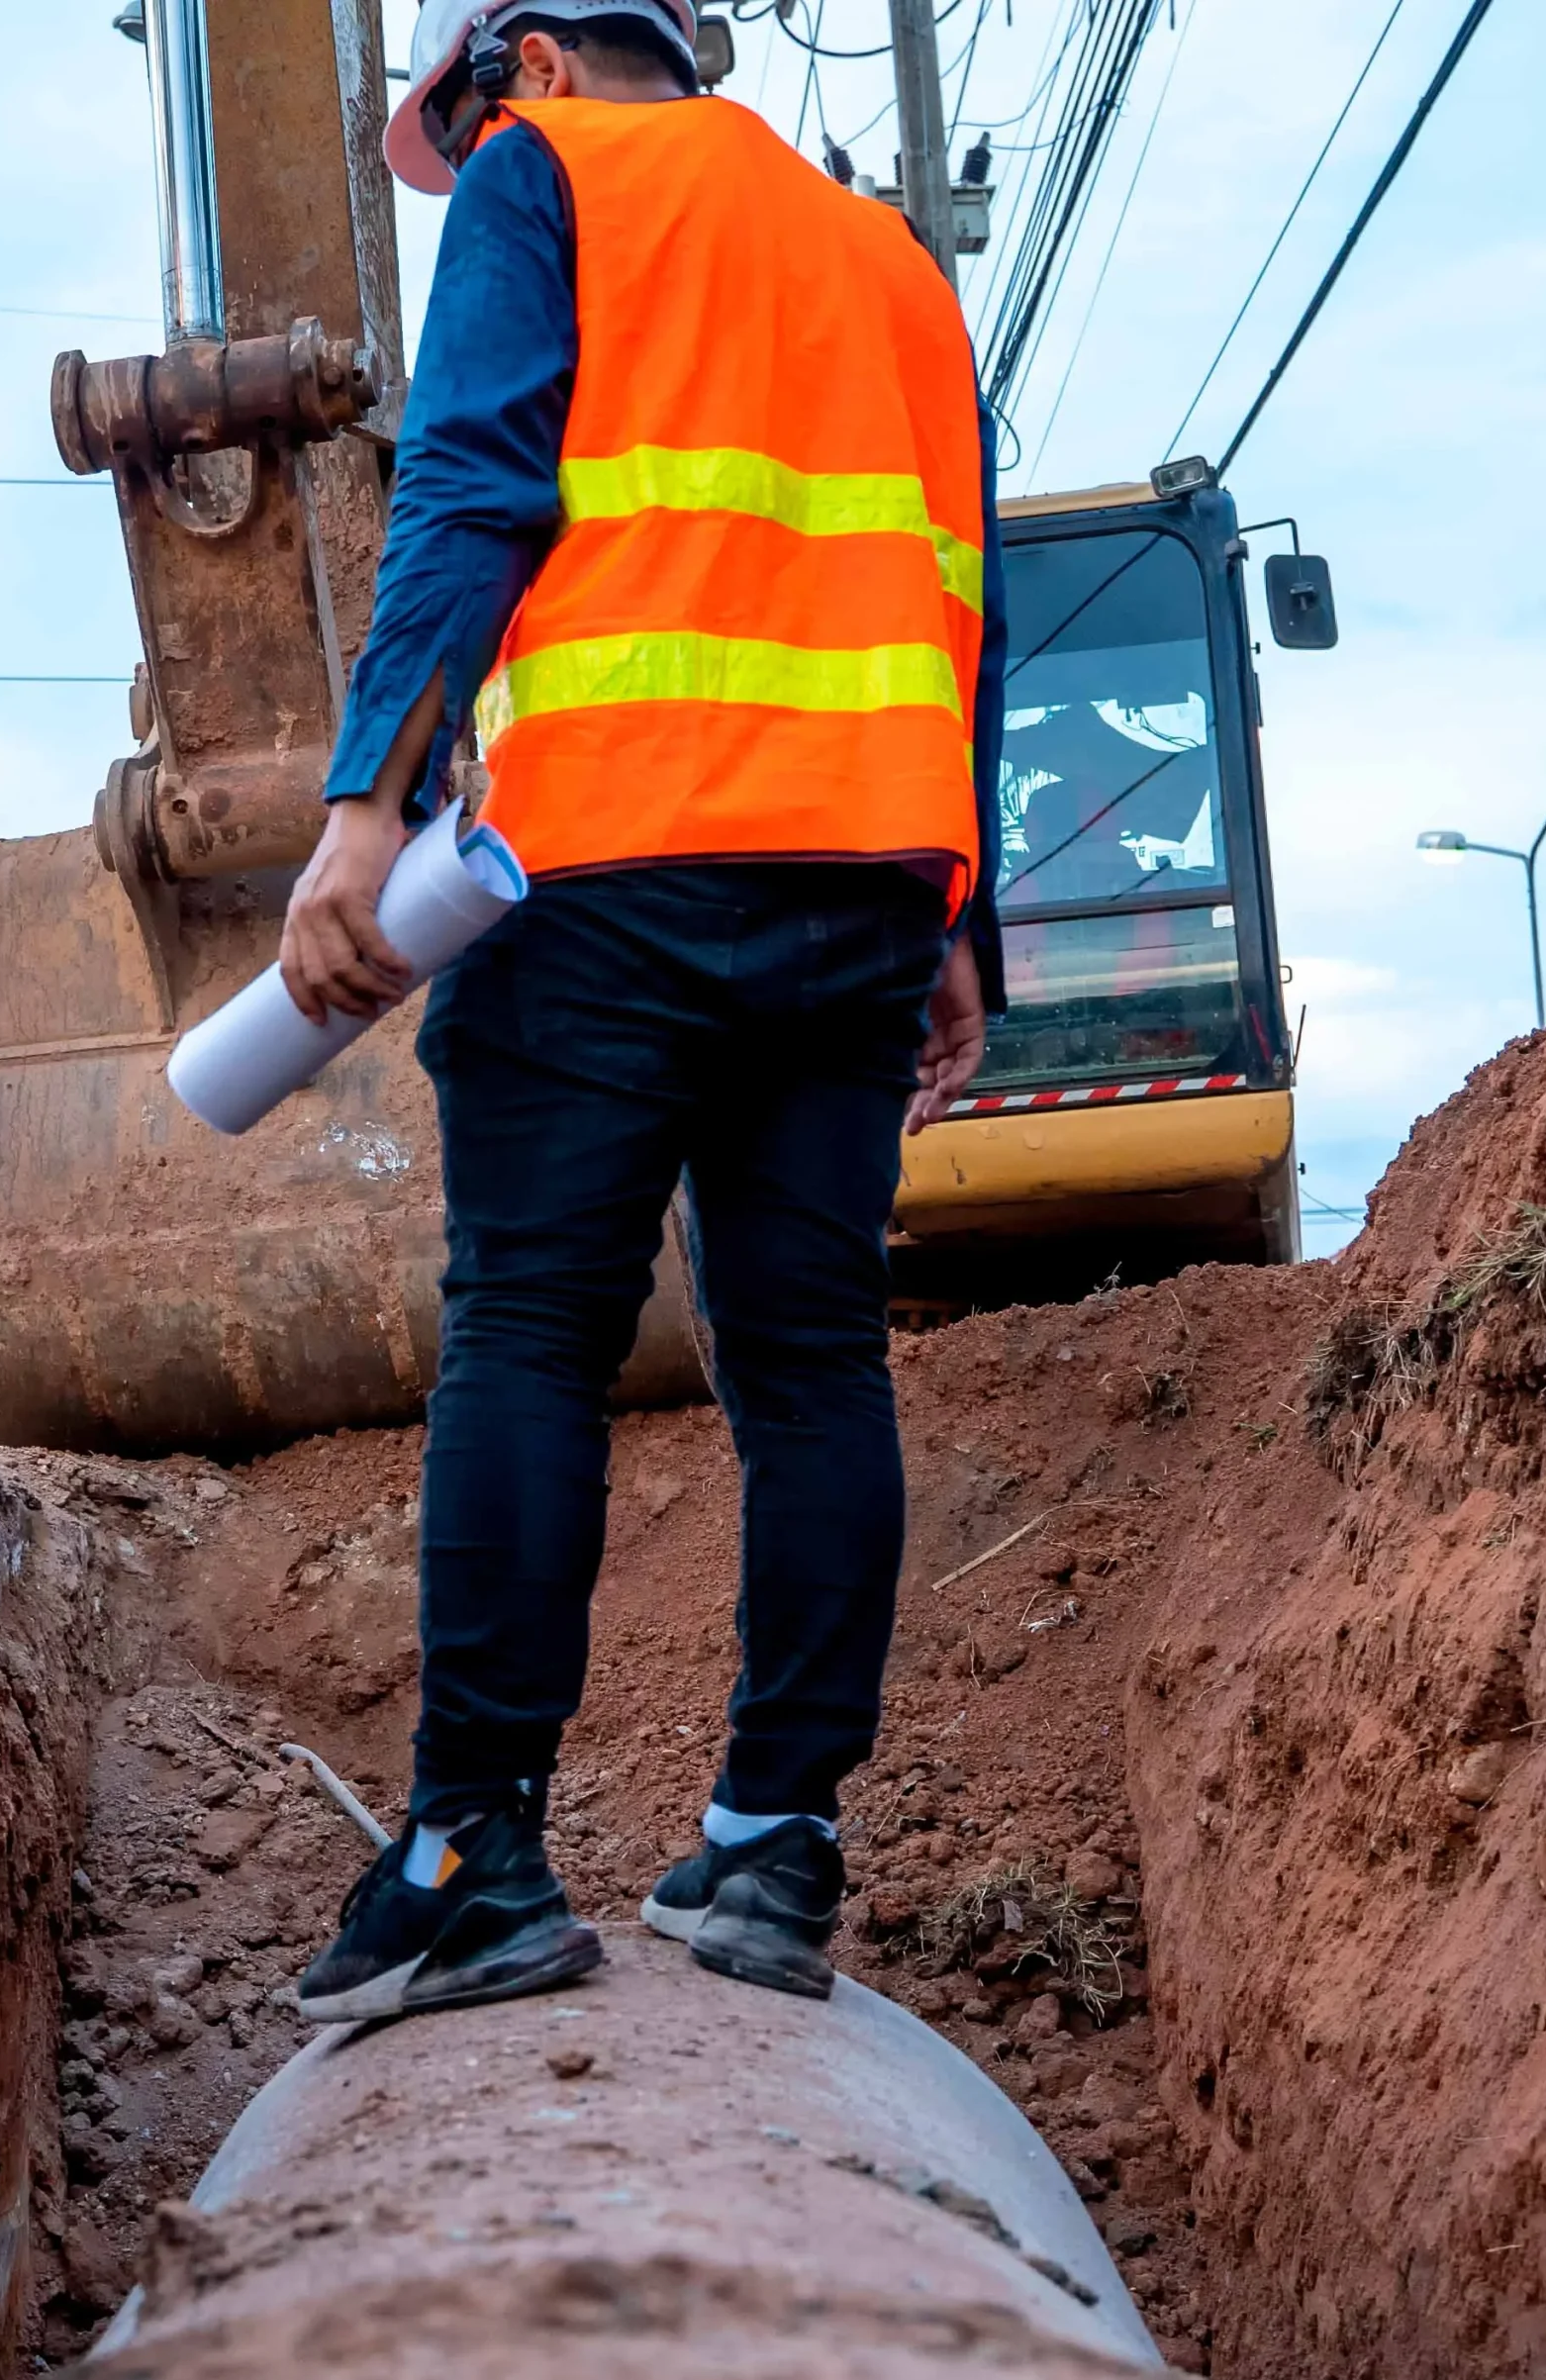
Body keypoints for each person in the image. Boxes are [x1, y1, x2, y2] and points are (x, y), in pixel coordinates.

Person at [279, 0, 1008, 2021]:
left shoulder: (546, 177)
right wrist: (961, 916)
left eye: (464, 101)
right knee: (804, 1351)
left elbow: (470, 490)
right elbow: (959, 587)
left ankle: (470, 1853)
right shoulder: (881, 255)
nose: (472, 132)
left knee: (528, 1320)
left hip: (604, 859)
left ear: (523, 53)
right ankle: (775, 1844)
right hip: (858, 876)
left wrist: (364, 808)